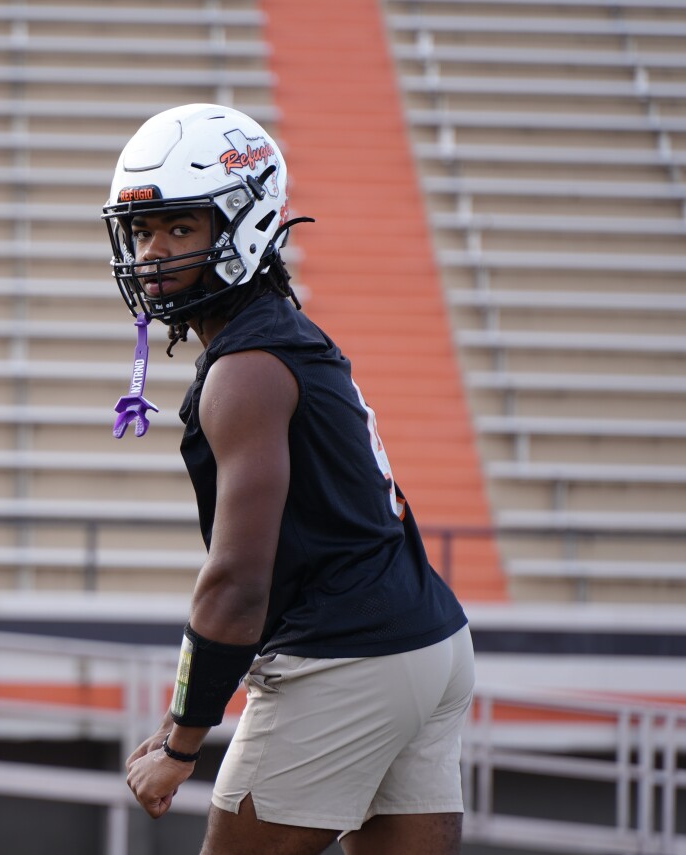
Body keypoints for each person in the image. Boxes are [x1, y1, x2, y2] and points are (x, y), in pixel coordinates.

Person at [104, 103, 475, 855]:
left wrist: (180, 742)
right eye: (143, 231)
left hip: (348, 656)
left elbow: (237, 581)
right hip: (429, 640)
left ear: (242, 224)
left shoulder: (244, 371)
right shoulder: (280, 338)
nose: (152, 253)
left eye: (181, 229)